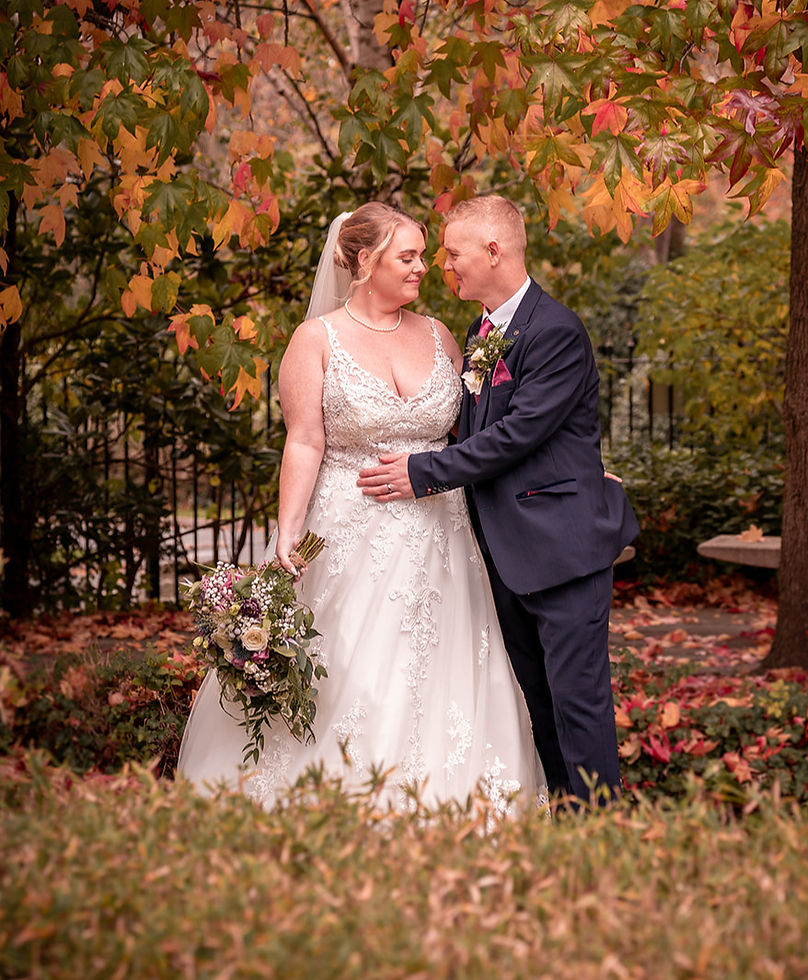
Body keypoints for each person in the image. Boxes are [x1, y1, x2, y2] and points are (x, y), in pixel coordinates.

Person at [178, 202, 545, 815]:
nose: (423, 269)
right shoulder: (316, 339)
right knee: (353, 668)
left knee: (447, 672)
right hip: (350, 532)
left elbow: (476, 436)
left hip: (441, 537)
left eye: (425, 256)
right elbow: (304, 441)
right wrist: (287, 534)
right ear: (363, 261)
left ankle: (450, 806)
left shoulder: (441, 335)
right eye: (408, 257)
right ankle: (339, 804)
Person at [357, 195, 639, 805]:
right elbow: (478, 428)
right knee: (537, 698)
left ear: (494, 250)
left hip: (562, 550)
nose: (444, 267)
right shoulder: (482, 330)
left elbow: (516, 438)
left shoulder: (555, 330)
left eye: (452, 253)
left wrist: (421, 472)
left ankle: (602, 833)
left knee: (578, 703)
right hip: (505, 550)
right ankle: (565, 818)